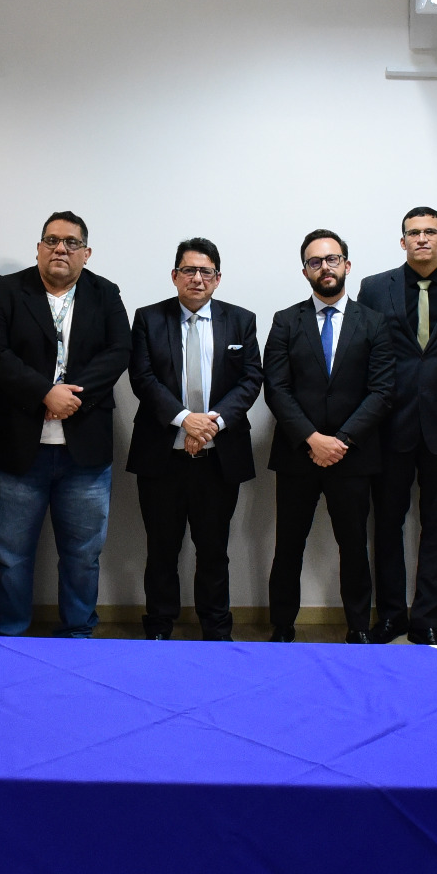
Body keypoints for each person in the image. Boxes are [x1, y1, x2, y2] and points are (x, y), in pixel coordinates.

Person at [0, 212, 131, 638]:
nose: (61, 249)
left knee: (83, 555)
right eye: (52, 240)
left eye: (71, 242)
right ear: (39, 248)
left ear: (86, 252)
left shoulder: (105, 293)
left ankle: (78, 634)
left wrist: (70, 399)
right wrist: (45, 393)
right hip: (17, 451)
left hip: (85, 454)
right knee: (8, 555)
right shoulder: (5, 291)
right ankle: (6, 636)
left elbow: (119, 352)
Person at [356, 208, 437, 646]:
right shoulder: (374, 288)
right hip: (389, 424)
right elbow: (366, 352)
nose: (422, 239)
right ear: (403, 241)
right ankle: (391, 616)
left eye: (431, 232)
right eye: (414, 233)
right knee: (387, 527)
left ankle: (427, 619)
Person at [127, 238, 263, 641]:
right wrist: (186, 420)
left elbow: (250, 378)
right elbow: (143, 379)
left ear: (218, 279)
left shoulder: (241, 320)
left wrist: (211, 424)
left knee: (214, 550)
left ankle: (216, 629)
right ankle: (159, 627)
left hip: (219, 457)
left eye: (206, 271)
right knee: (162, 550)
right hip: (161, 457)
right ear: (175, 276)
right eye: (189, 270)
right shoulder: (149, 319)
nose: (197, 278)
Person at [263, 229, 393, 643]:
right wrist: (311, 438)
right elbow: (276, 388)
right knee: (288, 548)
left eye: (333, 259)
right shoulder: (285, 321)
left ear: (347, 266)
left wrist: (342, 440)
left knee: (355, 548)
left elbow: (382, 390)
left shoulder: (374, 323)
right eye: (316, 261)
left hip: (353, 457)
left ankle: (357, 628)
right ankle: (282, 627)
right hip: (298, 454)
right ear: (305, 271)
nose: (325, 267)